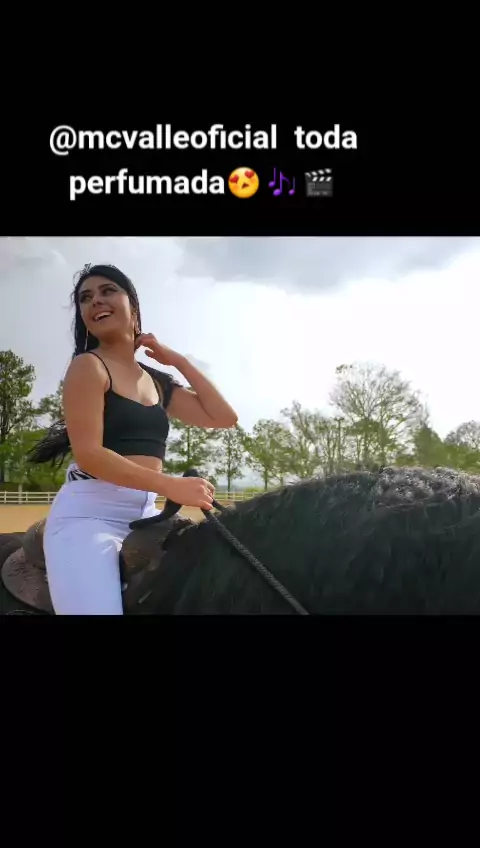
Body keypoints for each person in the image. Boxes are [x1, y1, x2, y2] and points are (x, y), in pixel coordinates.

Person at [28, 263, 238, 615]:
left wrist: (178, 361)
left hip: (145, 513)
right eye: (85, 298)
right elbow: (90, 454)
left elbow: (223, 417)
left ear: (134, 308)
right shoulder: (88, 366)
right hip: (89, 518)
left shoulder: (157, 382)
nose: (95, 301)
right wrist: (171, 485)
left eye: (108, 291)